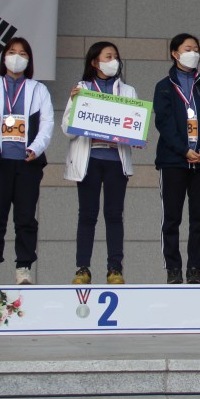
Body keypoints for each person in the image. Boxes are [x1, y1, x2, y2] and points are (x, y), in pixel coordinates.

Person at [0, 37, 54, 286]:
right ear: (4, 57)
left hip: (28, 162)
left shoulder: (38, 89)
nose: (17, 57)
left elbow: (47, 123)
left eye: (23, 53)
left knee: (26, 218)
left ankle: (24, 268)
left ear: (29, 60)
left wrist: (36, 148)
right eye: (12, 52)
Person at [62, 41, 135, 285]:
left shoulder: (128, 91)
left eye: (115, 56)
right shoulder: (81, 89)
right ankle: (82, 268)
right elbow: (67, 130)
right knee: (87, 215)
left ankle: (115, 269)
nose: (113, 61)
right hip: (89, 160)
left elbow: (136, 125)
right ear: (95, 62)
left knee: (114, 215)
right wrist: (75, 104)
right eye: (108, 56)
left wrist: (137, 136)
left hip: (116, 161)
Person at [154, 33, 200, 284]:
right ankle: (173, 268)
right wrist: (183, 149)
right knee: (172, 217)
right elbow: (164, 122)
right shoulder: (164, 86)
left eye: (196, 49)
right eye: (187, 49)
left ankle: (195, 268)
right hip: (173, 160)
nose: (193, 53)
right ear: (175, 53)